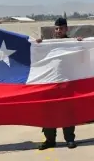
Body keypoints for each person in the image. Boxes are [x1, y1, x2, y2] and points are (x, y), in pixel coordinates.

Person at [37, 17, 82, 150]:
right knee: (48, 112)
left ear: (66, 29)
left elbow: (81, 58)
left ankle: (69, 139)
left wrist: (80, 44)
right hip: (50, 83)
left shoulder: (71, 43)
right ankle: (50, 139)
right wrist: (38, 44)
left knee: (67, 112)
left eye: (61, 28)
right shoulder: (48, 43)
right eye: (56, 28)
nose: (58, 30)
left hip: (66, 83)